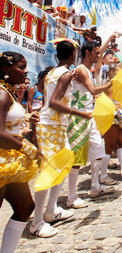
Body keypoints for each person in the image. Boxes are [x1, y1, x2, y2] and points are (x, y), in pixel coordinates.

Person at [30, 40, 92, 238]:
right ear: (73, 53)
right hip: (52, 126)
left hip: (54, 126)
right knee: (49, 171)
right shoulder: (64, 74)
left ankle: (51, 210)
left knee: (63, 165)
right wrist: (79, 113)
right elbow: (54, 102)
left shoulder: (53, 72)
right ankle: (37, 222)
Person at [0, 52, 40, 253]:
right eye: (21, 67)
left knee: (26, 207)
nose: (25, 72)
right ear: (7, 68)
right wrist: (27, 147)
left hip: (10, 165)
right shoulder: (2, 94)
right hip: (4, 163)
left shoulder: (7, 93)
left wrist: (26, 121)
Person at [67, 40, 115, 209]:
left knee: (98, 150)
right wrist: (111, 84)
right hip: (79, 117)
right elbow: (93, 91)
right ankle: (71, 197)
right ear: (87, 54)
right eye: (96, 53)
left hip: (89, 115)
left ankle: (95, 186)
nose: (98, 55)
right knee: (77, 158)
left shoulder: (87, 68)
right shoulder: (81, 70)